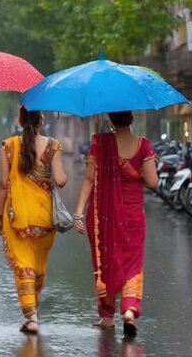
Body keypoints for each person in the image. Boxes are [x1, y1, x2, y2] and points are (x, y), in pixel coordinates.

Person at [74, 111, 158, 337]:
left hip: (103, 215)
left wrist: (78, 213)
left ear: (111, 119)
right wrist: (135, 173)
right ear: (131, 118)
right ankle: (129, 309)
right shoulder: (144, 145)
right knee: (132, 261)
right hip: (133, 216)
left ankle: (108, 317)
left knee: (106, 260)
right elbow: (153, 182)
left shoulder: (100, 143)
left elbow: (89, 179)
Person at [0, 106, 67, 334]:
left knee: (23, 266)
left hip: (17, 217)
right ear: (41, 120)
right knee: (38, 266)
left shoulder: (8, 146)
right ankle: (33, 310)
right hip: (45, 218)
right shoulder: (53, 145)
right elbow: (61, 180)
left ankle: (32, 316)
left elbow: (4, 184)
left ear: (20, 120)